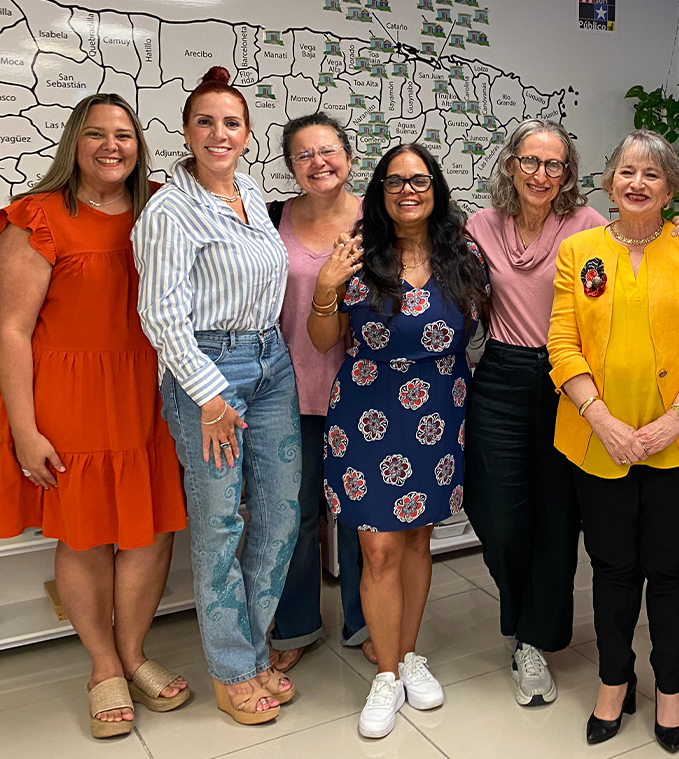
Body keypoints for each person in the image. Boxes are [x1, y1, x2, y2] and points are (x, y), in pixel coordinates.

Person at [462, 119, 679, 707]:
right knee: (495, 513)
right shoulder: (480, 225)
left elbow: (646, 252)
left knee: (556, 520)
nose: (541, 174)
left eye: (554, 165)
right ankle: (521, 609)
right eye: (530, 161)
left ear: (572, 175)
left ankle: (534, 639)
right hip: (501, 376)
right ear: (511, 164)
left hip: (569, 387)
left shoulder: (588, 225)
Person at [0, 93, 189, 739]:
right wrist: (23, 428)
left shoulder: (162, 205)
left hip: (147, 393)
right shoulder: (37, 216)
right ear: (75, 141)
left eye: (123, 134)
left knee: (153, 533)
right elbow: (11, 330)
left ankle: (134, 653)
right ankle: (103, 665)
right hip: (67, 401)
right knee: (86, 534)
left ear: (138, 144)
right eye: (95, 133)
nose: (110, 146)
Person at [548, 129, 679, 754]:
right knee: (612, 568)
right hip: (597, 439)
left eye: (651, 175)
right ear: (608, 181)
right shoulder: (579, 251)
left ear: (670, 189)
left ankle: (673, 686)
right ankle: (613, 680)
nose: (636, 183)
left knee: (675, 569)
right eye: (626, 171)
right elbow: (562, 343)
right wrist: (600, 418)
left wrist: (672, 421)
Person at [133, 66, 300, 725]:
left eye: (231, 122)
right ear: (186, 131)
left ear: (247, 134)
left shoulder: (252, 193)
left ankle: (252, 651)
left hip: (270, 361)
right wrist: (206, 395)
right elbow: (162, 314)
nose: (219, 132)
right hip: (208, 370)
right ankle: (232, 667)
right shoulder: (169, 208)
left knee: (281, 514)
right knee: (221, 522)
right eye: (205, 121)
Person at [307, 143, 490, 740]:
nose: (407, 190)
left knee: (416, 542)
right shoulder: (358, 255)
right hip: (366, 411)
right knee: (378, 548)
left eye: (418, 179)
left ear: (435, 187)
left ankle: (408, 656)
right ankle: (386, 675)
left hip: (438, 412)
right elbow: (321, 338)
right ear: (380, 192)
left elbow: (482, 331)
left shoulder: (462, 255)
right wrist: (327, 286)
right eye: (393, 181)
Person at [266, 112, 370, 671]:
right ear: (290, 167)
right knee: (297, 515)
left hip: (364, 395)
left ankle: (364, 621)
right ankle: (296, 626)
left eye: (327, 151)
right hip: (287, 392)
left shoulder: (378, 221)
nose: (318, 163)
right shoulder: (269, 219)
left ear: (349, 157)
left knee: (358, 513)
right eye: (303, 155)